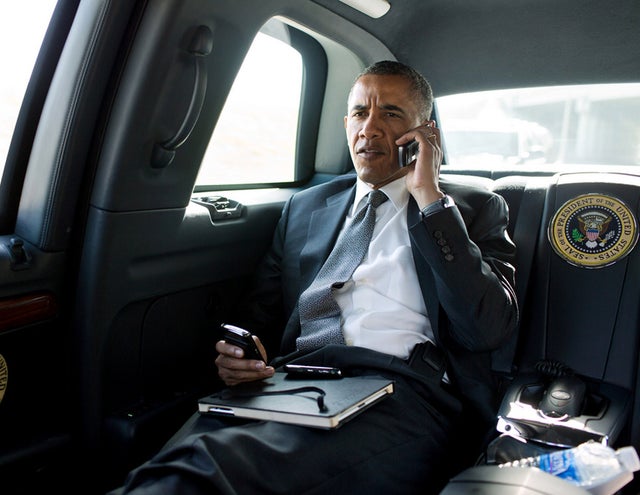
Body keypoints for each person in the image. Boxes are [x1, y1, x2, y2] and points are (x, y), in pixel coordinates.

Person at [112, 60, 518, 494]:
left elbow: (486, 328)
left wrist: (430, 201)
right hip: (289, 379)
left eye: (392, 114)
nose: (371, 128)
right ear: (347, 124)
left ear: (426, 134)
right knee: (170, 466)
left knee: (203, 476)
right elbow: (260, 314)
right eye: (361, 113)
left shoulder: (470, 209)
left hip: (401, 391)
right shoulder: (306, 206)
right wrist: (240, 354)